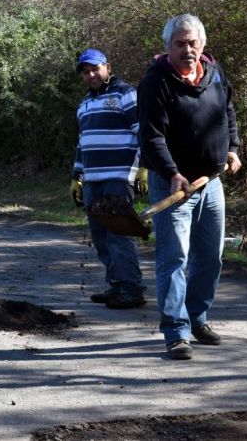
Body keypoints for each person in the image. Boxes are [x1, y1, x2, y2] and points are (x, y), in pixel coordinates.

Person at [138, 14, 242, 360]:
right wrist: (171, 172)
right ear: (167, 47)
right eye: (179, 44)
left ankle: (197, 317)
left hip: (210, 183)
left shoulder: (214, 74)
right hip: (174, 186)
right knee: (174, 259)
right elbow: (151, 136)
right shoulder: (156, 82)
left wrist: (232, 149)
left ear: (203, 45)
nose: (187, 50)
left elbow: (228, 112)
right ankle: (176, 330)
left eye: (192, 43)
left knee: (210, 256)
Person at [71, 48, 148, 309]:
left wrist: (145, 168)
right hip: (92, 178)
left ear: (108, 67)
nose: (91, 75)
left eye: (95, 69)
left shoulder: (126, 94)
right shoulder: (84, 104)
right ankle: (116, 284)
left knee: (118, 232)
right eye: (85, 72)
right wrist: (77, 176)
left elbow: (143, 133)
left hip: (118, 176)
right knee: (100, 233)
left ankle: (132, 288)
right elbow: (82, 143)